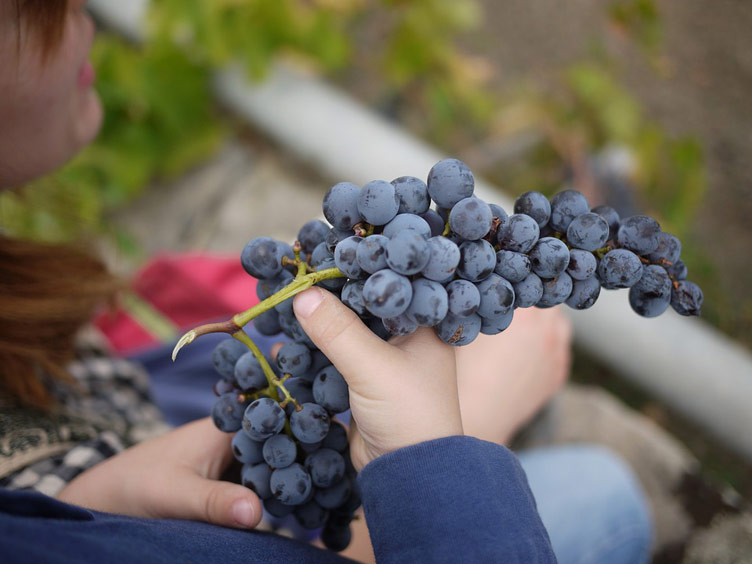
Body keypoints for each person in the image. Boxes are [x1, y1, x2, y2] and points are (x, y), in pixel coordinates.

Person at [0, 1, 652, 562]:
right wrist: (459, 443)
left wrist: (78, 504)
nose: (76, 9)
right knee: (608, 492)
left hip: (141, 450)